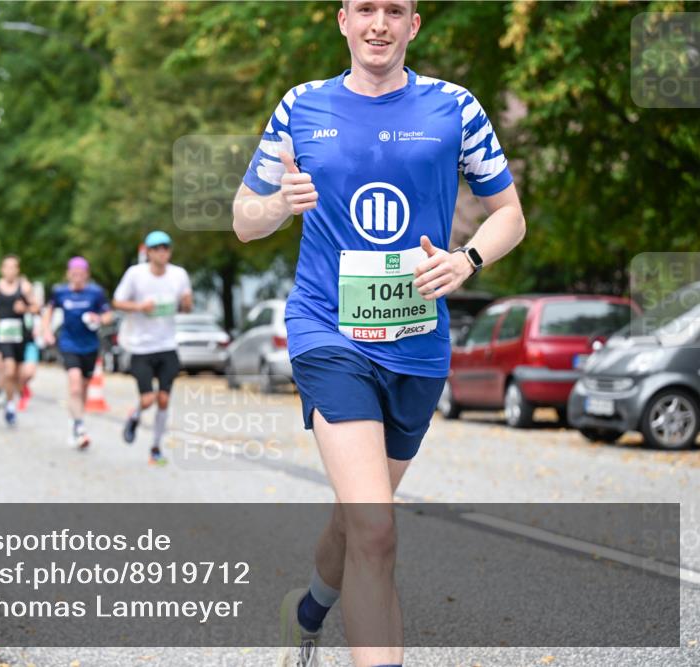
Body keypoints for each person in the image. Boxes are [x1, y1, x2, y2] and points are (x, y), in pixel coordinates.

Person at [232, 2, 526, 666]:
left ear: (413, 25)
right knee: (376, 527)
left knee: (356, 515)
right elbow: (244, 220)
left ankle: (306, 611)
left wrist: (468, 258)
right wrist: (279, 203)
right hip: (327, 331)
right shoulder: (300, 107)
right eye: (365, 8)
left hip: (418, 343)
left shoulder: (455, 108)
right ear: (342, 20)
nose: (379, 23)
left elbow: (508, 214)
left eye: (394, 10)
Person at [112, 231, 193, 465]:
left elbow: (186, 306)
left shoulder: (179, 275)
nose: (162, 252)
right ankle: (135, 416)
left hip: (167, 345)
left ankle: (156, 447)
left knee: (164, 399)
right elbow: (117, 302)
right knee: (148, 399)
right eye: (157, 248)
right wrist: (139, 306)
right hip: (140, 347)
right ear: (148, 252)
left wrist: (186, 304)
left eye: (166, 248)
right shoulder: (135, 275)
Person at [42, 257, 114, 449]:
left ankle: (75, 418)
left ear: (87, 275)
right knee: (74, 385)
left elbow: (109, 315)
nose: (78, 278)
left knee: (83, 387)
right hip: (68, 344)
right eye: (74, 274)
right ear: (68, 275)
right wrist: (46, 331)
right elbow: (48, 311)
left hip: (90, 346)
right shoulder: (60, 292)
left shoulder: (96, 293)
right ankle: (80, 427)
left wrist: (98, 318)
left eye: (81, 275)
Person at [0, 255, 36, 427]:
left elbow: (36, 307)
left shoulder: (25, 287)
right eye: (7, 267)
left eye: (13, 267)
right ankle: (10, 405)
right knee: (9, 370)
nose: (10, 270)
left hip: (21, 335)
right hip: (4, 335)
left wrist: (25, 308)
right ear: (2, 269)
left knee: (19, 374)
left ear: (17, 270)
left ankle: (12, 397)